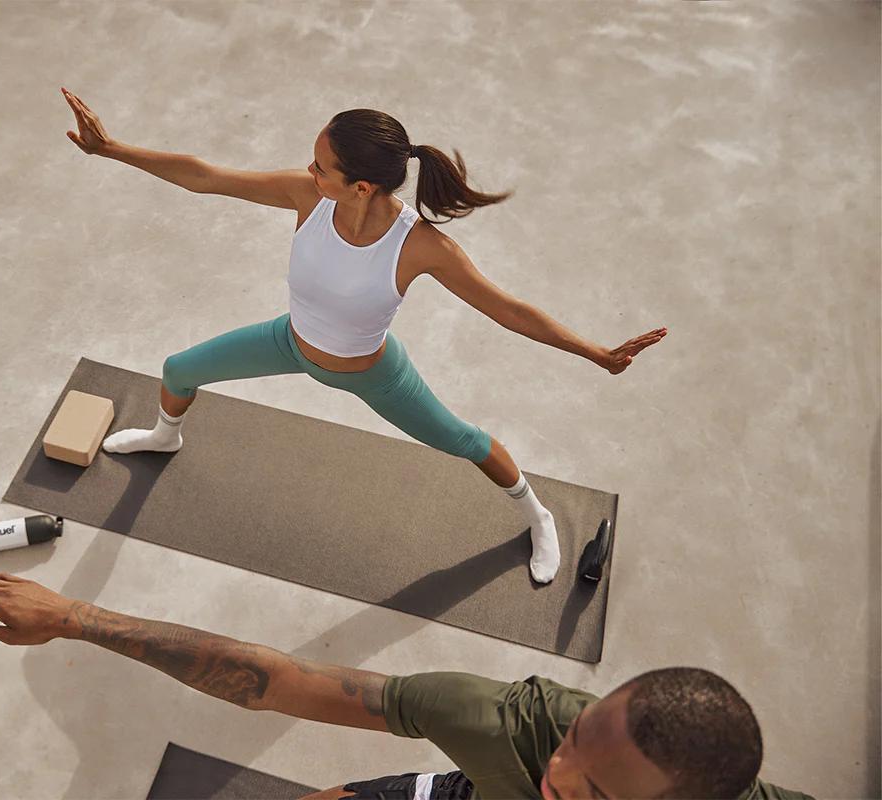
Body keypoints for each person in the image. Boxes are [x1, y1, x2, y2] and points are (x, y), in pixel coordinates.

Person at [60, 88, 666, 584]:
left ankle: (536, 516)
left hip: (372, 372)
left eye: (321, 166)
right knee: (177, 370)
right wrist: (110, 149)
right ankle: (167, 437)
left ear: (362, 186)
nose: (308, 171)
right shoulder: (307, 196)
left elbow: (508, 310)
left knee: (466, 443)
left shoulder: (420, 246)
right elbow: (207, 177)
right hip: (288, 342)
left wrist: (596, 353)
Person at [0, 571, 812, 800]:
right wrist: (77, 617)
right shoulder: (516, 731)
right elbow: (282, 682)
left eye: (596, 795)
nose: (560, 778)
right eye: (579, 743)